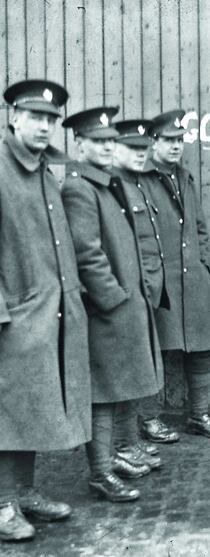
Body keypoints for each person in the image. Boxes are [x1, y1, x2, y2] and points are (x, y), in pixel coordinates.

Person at [0, 79, 92, 542]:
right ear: (13, 117)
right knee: (6, 411)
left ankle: (24, 492)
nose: (44, 126)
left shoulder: (43, 170)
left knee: (32, 407)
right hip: (14, 316)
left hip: (49, 313)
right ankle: (1, 506)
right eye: (35, 117)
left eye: (51, 119)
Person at [61, 107, 164, 502]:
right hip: (107, 311)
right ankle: (101, 473)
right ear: (80, 144)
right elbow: (87, 254)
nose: (106, 148)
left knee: (120, 387)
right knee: (103, 393)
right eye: (98, 142)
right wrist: (114, 300)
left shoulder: (102, 184)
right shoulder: (78, 188)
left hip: (122, 306)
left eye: (109, 142)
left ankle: (115, 460)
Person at [139, 110, 210, 440]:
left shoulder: (185, 178)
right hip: (161, 279)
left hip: (192, 278)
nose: (176, 147)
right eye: (169, 140)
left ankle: (198, 415)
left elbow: (200, 226)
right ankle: (149, 419)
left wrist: (203, 262)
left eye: (180, 141)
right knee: (157, 347)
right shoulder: (143, 180)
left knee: (201, 346)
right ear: (154, 143)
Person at [111, 119, 170, 465]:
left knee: (135, 372)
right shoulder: (114, 186)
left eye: (142, 149)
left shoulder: (135, 184)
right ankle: (121, 446)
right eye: (132, 148)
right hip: (126, 295)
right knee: (122, 377)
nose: (140, 154)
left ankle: (127, 441)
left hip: (143, 292)